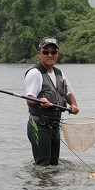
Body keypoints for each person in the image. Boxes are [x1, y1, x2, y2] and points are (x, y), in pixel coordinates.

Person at [24, 37, 79, 166]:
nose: (50, 55)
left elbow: (69, 93)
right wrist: (40, 101)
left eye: (53, 52)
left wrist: (73, 105)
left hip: (54, 126)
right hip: (39, 126)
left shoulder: (59, 73)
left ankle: (52, 187)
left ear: (58, 54)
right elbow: (29, 99)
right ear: (39, 53)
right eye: (46, 52)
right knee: (43, 165)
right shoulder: (35, 73)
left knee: (54, 165)